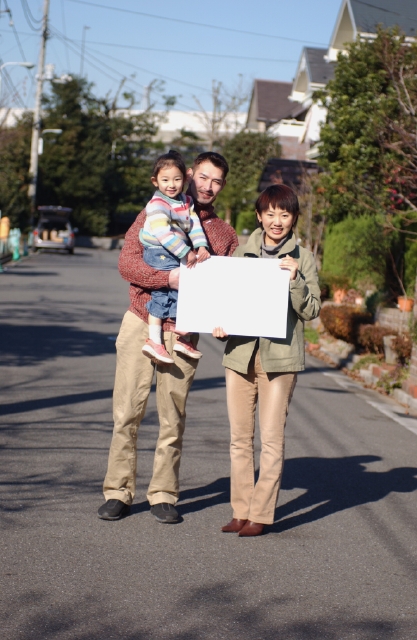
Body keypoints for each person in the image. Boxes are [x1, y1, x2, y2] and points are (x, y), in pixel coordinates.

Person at [98, 152, 238, 524]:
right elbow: (127, 263)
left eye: (217, 181)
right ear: (191, 175)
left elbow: (229, 288)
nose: (208, 186)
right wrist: (168, 279)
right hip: (140, 321)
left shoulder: (224, 234)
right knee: (126, 412)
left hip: (185, 331)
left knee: (172, 418)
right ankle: (118, 491)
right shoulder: (155, 210)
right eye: (203, 177)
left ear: (223, 186)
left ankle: (163, 493)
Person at [213, 184, 321, 537]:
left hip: (280, 359)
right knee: (239, 438)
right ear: (259, 216)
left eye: (285, 214)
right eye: (271, 213)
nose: (277, 221)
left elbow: (313, 310)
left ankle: (261, 514)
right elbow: (225, 302)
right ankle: (240, 510)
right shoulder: (241, 255)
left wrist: (295, 281)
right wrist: (219, 325)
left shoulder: (302, 258)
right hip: (240, 355)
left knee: (271, 439)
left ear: (293, 219)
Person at [140, 150, 210, 365]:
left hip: (174, 250)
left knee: (187, 285)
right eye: (165, 180)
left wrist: (200, 245)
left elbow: (194, 226)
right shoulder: (157, 205)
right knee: (163, 292)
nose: (172, 184)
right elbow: (164, 235)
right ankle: (155, 340)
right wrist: (186, 252)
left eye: (177, 179)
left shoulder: (186, 202)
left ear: (185, 178)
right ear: (155, 181)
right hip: (157, 251)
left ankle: (182, 337)